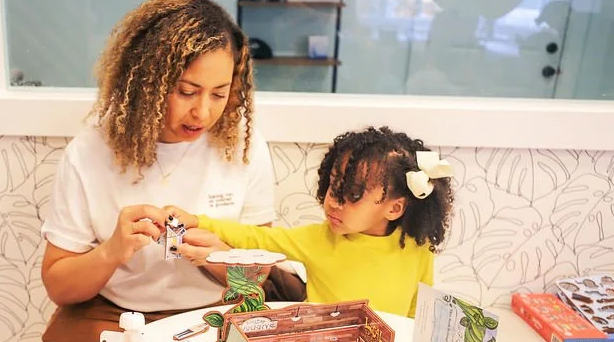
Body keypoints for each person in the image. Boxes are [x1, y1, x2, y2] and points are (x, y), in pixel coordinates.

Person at [14, 0, 302, 342]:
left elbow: (259, 280)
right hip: (107, 318)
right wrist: (112, 251)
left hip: (212, 316)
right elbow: (59, 285)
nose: (204, 113)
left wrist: (218, 257)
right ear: (146, 81)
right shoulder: (91, 153)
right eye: (187, 91)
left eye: (220, 92)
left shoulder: (244, 149)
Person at [167, 126, 455, 317]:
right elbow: (256, 237)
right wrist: (198, 220)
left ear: (394, 208)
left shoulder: (418, 248)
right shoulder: (319, 239)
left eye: (353, 195)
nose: (334, 201)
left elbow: (417, 310)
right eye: (333, 186)